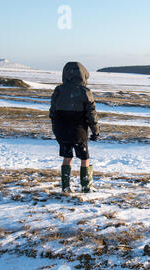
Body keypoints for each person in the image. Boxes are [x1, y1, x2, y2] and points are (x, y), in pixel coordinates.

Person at [49, 62, 100, 193]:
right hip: (79, 130)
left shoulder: (59, 90)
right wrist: (95, 131)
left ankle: (65, 187)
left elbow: (52, 112)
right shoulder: (85, 91)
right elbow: (91, 114)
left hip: (61, 129)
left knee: (67, 157)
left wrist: (57, 127)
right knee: (84, 158)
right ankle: (86, 186)